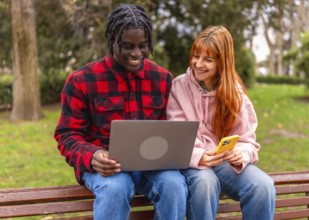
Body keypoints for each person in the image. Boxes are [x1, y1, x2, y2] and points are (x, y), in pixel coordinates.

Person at [54, 4, 187, 220]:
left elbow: (171, 130)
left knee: (174, 184)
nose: (136, 53)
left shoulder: (162, 79)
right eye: (127, 46)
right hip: (105, 169)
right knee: (116, 188)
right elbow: (67, 135)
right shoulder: (81, 80)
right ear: (112, 43)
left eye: (143, 46)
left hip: (151, 166)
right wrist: (92, 156)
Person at [166, 25, 276, 220]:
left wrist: (240, 153)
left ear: (222, 63)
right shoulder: (179, 86)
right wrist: (199, 156)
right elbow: (176, 137)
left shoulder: (234, 94)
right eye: (196, 56)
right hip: (191, 161)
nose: (198, 64)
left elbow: (248, 141)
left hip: (223, 161)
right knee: (205, 183)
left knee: (263, 186)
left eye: (207, 60)